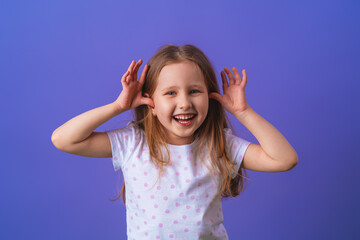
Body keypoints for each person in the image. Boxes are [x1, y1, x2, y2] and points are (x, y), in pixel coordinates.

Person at [51, 44, 298, 239]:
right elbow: (64, 139)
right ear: (152, 103)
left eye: (194, 91)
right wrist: (118, 106)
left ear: (210, 97)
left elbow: (285, 159)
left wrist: (244, 112)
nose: (184, 103)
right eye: (170, 93)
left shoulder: (220, 144)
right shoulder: (133, 142)